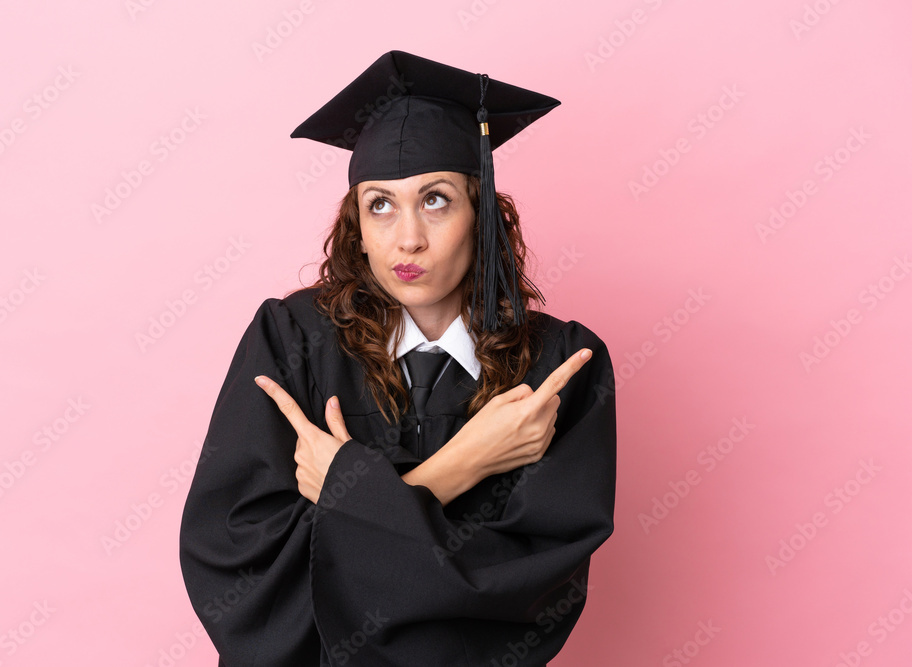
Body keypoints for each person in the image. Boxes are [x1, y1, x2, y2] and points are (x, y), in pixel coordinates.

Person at [179, 50, 617, 666]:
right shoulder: (293, 341)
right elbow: (239, 575)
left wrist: (345, 496)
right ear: (357, 223)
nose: (407, 237)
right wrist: (463, 463)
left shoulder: (559, 367)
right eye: (380, 204)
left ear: (482, 212)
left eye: (435, 200)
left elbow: (526, 592)